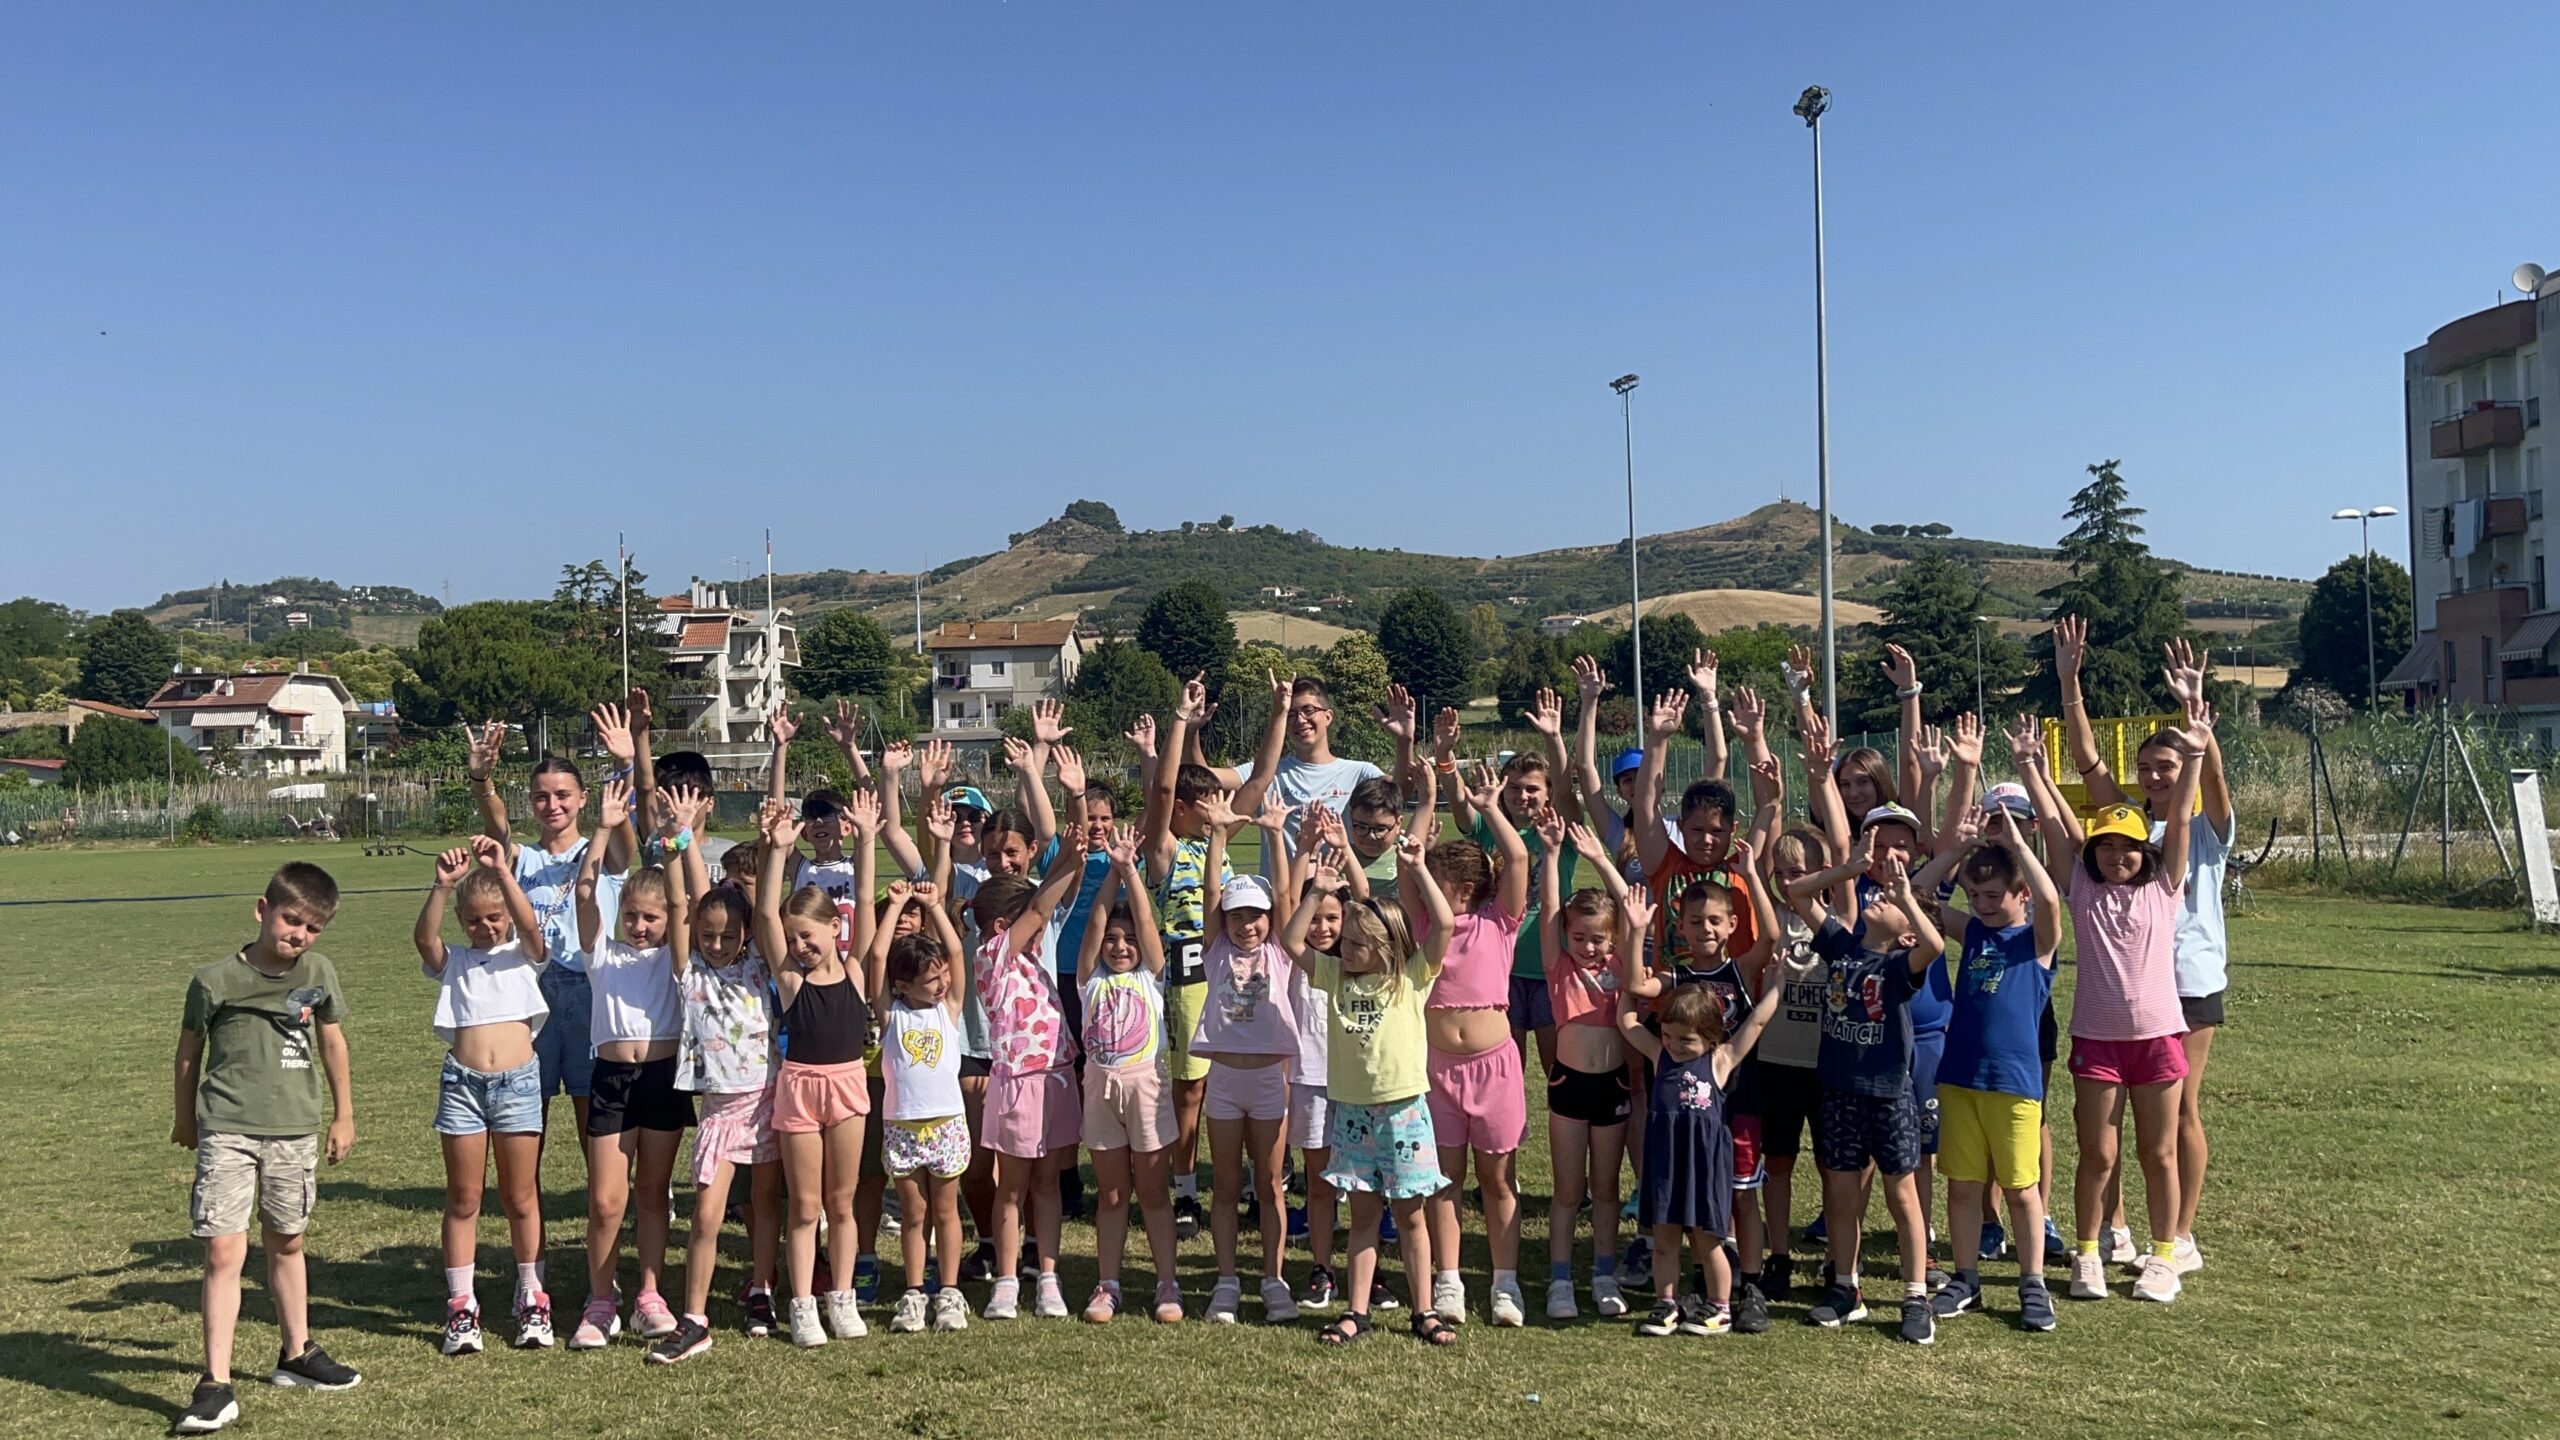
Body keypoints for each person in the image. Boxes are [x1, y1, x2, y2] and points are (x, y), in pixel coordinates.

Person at [2019, 691, 2214, 1306]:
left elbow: (2179, 822)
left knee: (2159, 1153)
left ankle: (2164, 1257)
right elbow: (2056, 828)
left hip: (2158, 1040)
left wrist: (2197, 753)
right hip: (2098, 1043)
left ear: (2145, 852)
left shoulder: (2165, 887)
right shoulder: (2082, 887)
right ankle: (2088, 1253)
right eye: (2105, 845)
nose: (2117, 855)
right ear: (2093, 852)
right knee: (2098, 1155)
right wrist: (2030, 768)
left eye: (2128, 846)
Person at [2062, 626, 2234, 1278]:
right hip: (2124, 990)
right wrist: (2070, 682)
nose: (2156, 776)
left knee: (2178, 1111)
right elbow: (2086, 760)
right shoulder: (2127, 826)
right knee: (2105, 1120)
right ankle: (2116, 1229)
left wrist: (2195, 713)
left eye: (2168, 766)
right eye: (2147, 768)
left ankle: (2180, 1235)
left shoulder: (2204, 821)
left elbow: (2209, 774)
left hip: (2187, 981)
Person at [172, 862, 362, 1435]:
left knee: (288, 1241)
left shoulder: (319, 972)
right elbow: (188, 1052)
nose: (299, 935)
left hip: (294, 1129)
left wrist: (344, 1115)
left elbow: (332, 1041)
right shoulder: (214, 981)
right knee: (223, 1251)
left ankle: (296, 1354)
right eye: (291, 920)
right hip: (227, 1129)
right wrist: (185, 1117)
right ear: (263, 909)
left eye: (313, 927)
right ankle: (215, 1384)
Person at [1280, 835, 1457, 1348]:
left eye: (1357, 943)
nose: (1345, 948)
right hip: (1354, 1115)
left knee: (1411, 1216)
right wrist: (1317, 892)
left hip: (1404, 1114)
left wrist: (1419, 869)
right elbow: (1292, 943)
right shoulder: (1335, 975)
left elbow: (1444, 924)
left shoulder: (1412, 976)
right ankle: (1356, 1312)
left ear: (1385, 947)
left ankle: (1424, 1311)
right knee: (1362, 1216)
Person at [1783, 834, 1948, 1346]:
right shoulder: (1843, 947)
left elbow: (1935, 946)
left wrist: (1906, 898)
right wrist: (1848, 870)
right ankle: (1845, 1287)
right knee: (1841, 1192)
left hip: (1888, 1095)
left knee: (1902, 1194)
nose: (1879, 898)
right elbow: (1797, 893)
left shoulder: (1899, 966)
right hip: (1839, 1091)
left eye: (1890, 904)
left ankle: (1915, 1295)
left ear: (1906, 934)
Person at [654, 788, 785, 1364]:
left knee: (764, 1206)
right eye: (708, 935)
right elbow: (682, 900)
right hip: (720, 1112)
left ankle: (762, 1290)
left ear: (746, 936)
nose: (716, 944)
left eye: (727, 936)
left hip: (767, 1099)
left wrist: (772, 847)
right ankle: (694, 1317)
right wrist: (680, 840)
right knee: (707, 1217)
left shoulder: (757, 962)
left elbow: (766, 908)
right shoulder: (691, 971)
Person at [467, 708, 632, 1162]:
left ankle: (604, 1194)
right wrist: (482, 781)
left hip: (591, 989)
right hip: (529, 991)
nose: (552, 805)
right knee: (526, 1110)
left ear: (583, 799)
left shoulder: (601, 850)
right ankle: (528, 1197)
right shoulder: (521, 858)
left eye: (563, 795)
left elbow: (624, 838)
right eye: (541, 797)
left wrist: (625, 766)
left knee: (591, 1105)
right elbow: (497, 828)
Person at [1619, 894, 1786, 1339]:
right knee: (1664, 1237)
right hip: (1666, 1158)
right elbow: (1628, 1021)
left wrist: (1779, 984)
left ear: (1710, 1037)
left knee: (1708, 1238)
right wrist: (1634, 937)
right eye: (1669, 1036)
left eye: (1686, 1040)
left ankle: (1720, 1307)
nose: (1675, 1045)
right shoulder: (1660, 1055)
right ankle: (1666, 1304)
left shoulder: (1720, 1060)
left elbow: (1756, 1023)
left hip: (1705, 1162)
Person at [1923, 805, 2061, 1333]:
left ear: (2020, 895)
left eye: (1993, 896)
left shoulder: (2036, 941)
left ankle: (2032, 1282)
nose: (1981, 905)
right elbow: (1918, 897)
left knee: (2022, 1190)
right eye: (1974, 896)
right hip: (1960, 1078)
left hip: (2013, 1084)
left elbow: (2052, 900)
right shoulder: (1975, 932)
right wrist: (1956, 851)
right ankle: (1965, 1279)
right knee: (1962, 1185)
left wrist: (2018, 847)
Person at [568, 779, 694, 1350]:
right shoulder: (603, 955)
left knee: (653, 1192)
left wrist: (675, 841)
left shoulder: (675, 958)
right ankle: (601, 1300)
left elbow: (685, 903)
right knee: (604, 1200)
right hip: (612, 1081)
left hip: (664, 1080)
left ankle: (649, 1294)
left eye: (650, 918)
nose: (640, 927)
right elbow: (584, 894)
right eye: (632, 917)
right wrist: (602, 828)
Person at [1413, 738, 1533, 1328]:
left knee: (1498, 1179)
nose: (1427, 889)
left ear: (1462, 889)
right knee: (1445, 1180)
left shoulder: (1498, 922)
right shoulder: (1424, 926)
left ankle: (1505, 1284)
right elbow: (1409, 865)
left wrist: (1489, 809)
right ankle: (1449, 1280)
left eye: (1437, 882)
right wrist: (1425, 804)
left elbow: (1519, 859)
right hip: (1437, 1070)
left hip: (1495, 1070)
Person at [414, 837, 551, 1356]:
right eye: (474, 920)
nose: (486, 927)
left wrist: (505, 875)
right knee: (464, 1198)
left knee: (520, 1196)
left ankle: (533, 1296)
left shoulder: (525, 955)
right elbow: (424, 940)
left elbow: (532, 929)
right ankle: (461, 1305)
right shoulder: (455, 961)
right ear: (462, 921)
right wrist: (442, 886)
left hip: (518, 1084)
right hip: (463, 1087)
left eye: (495, 917)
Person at [753, 797, 879, 1346]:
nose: (801, 946)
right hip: (801, 1089)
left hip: (848, 1087)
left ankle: (842, 1299)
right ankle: (803, 1304)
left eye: (808, 935)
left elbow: (866, 899)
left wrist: (867, 839)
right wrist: (779, 850)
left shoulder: (854, 969)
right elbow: (764, 916)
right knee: (805, 1206)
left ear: (835, 926)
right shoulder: (791, 982)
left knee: (841, 1202)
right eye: (793, 939)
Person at [1186, 790, 1303, 1323]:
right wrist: (1216, 834)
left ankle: (1274, 1279)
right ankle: (1227, 1281)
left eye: (1256, 916)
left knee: (1271, 1184)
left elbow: (1285, 893)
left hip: (1270, 1082)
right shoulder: (1216, 951)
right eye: (1237, 917)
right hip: (1226, 1082)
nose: (1246, 925)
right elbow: (1212, 892)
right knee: (1226, 1186)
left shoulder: (1280, 949)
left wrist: (1275, 834)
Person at [966, 843, 1086, 1321]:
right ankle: (1007, 1281)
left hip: (1055, 1081)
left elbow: (1040, 908)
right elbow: (1039, 907)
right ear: (1002, 927)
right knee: (1012, 1188)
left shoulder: (1031, 961)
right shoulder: (991, 958)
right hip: (1018, 1083)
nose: (1041, 929)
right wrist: (1069, 860)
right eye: (1029, 925)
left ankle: (1048, 1277)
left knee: (1047, 1184)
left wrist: (1073, 861)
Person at [1073, 824, 1186, 1325]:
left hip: (1147, 1090)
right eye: (1112, 941)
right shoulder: (1089, 980)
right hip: (1100, 1092)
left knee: (1155, 1193)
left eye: (1129, 941)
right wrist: (1111, 877)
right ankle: (1108, 1284)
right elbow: (1096, 921)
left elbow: (1144, 921)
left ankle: (1167, 1283)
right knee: (1113, 1194)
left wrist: (1130, 873)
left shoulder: (1151, 976)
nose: (1119, 947)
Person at [1137, 675, 1236, 1242]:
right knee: (1190, 1090)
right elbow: (1162, 790)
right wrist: (1178, 720)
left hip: (1233, 973)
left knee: (1236, 1083)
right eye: (1207, 802)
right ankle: (1185, 1189)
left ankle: (1244, 1184)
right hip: (1188, 977)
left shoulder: (1214, 843)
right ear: (1182, 809)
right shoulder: (1166, 850)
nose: (1218, 809)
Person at [1532, 816, 1634, 1321]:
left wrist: (1599, 858)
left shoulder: (1623, 967)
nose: (1588, 947)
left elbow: (1630, 911)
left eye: (1597, 939)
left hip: (1612, 1087)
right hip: (1569, 1087)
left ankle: (1603, 1273)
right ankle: (1560, 1279)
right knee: (1569, 1191)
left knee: (1607, 1190)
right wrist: (1552, 855)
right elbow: (1551, 909)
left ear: (1611, 940)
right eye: (1579, 937)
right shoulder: (1560, 968)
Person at [873, 881, 976, 1334]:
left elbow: (955, 954)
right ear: (901, 985)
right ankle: (914, 1293)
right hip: (903, 1130)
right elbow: (877, 957)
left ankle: (949, 1292)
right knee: (913, 1215)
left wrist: (934, 907)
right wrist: (895, 906)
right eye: (930, 980)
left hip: (947, 1126)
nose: (942, 983)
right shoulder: (891, 1014)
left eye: (942, 976)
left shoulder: (947, 1008)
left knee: (946, 1211)